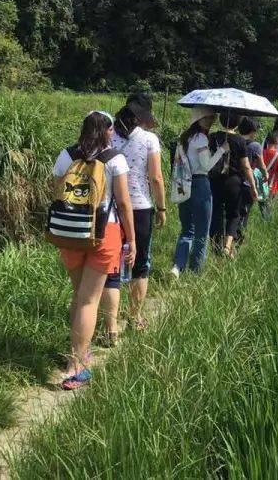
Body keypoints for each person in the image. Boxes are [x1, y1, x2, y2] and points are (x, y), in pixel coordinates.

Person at [52, 111, 134, 390]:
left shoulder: (66, 155)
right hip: (104, 233)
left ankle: (74, 356)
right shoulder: (115, 159)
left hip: (70, 231)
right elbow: (123, 204)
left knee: (79, 295)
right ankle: (78, 366)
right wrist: (131, 240)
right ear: (108, 131)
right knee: (89, 300)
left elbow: (56, 190)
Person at [99, 97, 166, 345]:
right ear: (142, 118)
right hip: (139, 207)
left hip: (110, 209)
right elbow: (156, 177)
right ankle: (135, 317)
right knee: (140, 263)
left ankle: (110, 325)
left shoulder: (107, 136)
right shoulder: (149, 140)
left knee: (111, 266)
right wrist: (162, 207)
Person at [172, 107, 225, 276]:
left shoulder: (184, 137)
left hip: (183, 185)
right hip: (200, 185)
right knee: (202, 232)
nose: (210, 121)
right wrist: (222, 150)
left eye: (211, 118)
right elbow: (206, 166)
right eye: (207, 118)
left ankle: (177, 267)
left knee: (187, 230)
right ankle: (195, 272)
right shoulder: (201, 138)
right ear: (199, 120)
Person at [209, 111, 258, 258]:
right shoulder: (239, 141)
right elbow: (246, 166)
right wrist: (254, 187)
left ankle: (215, 246)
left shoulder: (212, 137)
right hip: (234, 182)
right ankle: (227, 246)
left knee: (216, 213)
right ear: (237, 123)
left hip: (215, 180)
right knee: (234, 214)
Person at [235, 117, 262, 243]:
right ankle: (238, 239)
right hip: (247, 183)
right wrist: (265, 174)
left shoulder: (235, 141)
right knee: (244, 213)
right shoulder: (255, 146)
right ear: (252, 131)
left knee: (232, 212)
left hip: (233, 181)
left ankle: (228, 237)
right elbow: (261, 165)